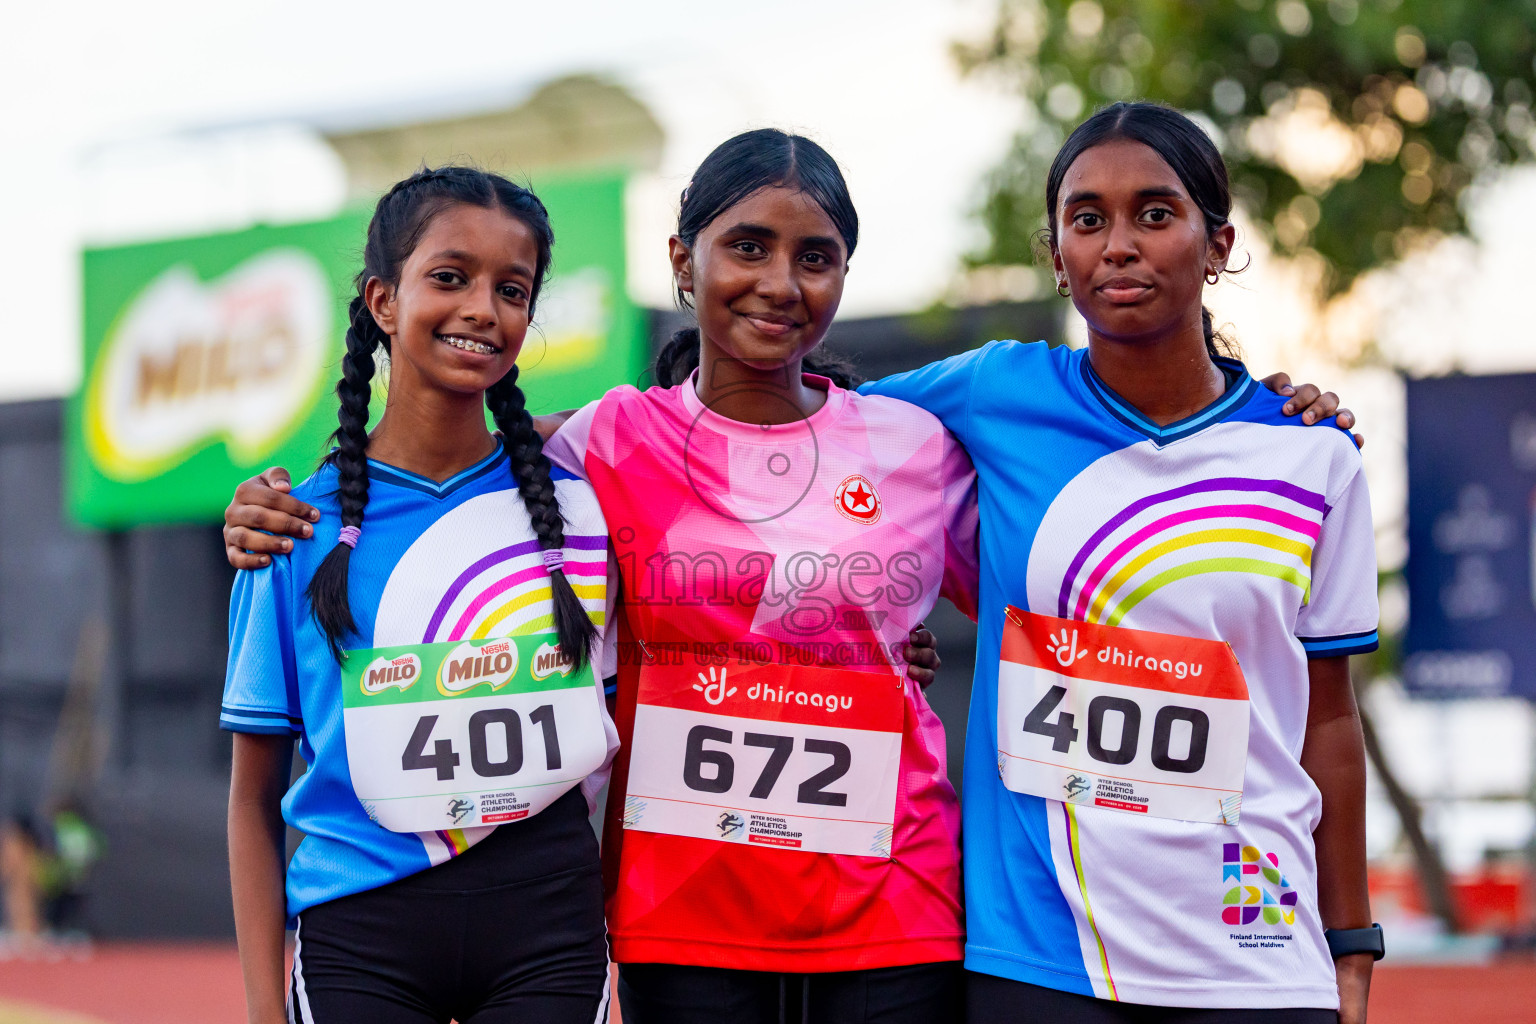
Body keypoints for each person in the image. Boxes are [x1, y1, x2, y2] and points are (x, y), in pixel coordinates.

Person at [220, 131, 1354, 1024]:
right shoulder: (605, 444)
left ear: (844, 277)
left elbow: (1052, 562)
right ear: (684, 262)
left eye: (814, 257)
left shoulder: (913, 439)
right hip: (680, 919)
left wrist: (1266, 419)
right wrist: (287, 501)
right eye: (746, 247)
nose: (779, 282)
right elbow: (472, 451)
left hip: (897, 910)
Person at [862, 102, 1380, 1023]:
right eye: (1087, 219)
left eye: (1155, 213)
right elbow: (797, 428)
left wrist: (1352, 944)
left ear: (1217, 244)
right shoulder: (992, 393)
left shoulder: (1313, 456)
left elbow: (1330, 722)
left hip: (1254, 947)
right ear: (1057, 256)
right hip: (1038, 957)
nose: (1119, 244)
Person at [222, 166, 620, 1024]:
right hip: (359, 939)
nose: (483, 307)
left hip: (548, 933)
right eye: (450, 277)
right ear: (383, 300)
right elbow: (253, 795)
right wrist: (261, 1008)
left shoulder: (584, 508)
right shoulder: (290, 527)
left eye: (512, 289)